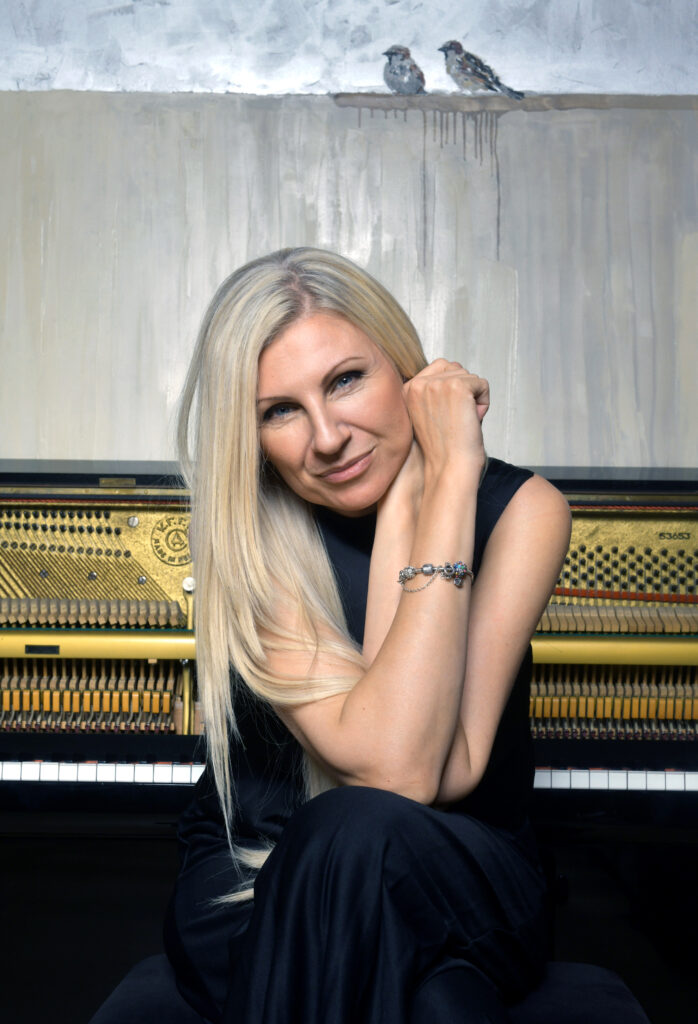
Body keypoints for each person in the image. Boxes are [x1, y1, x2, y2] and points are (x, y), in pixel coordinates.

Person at [165, 246, 572, 1024]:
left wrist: (442, 484)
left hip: (454, 870)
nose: (326, 437)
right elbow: (395, 766)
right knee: (438, 1001)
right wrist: (424, 483)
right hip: (259, 877)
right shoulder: (253, 536)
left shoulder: (524, 511)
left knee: (357, 834)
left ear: (404, 368)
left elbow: (427, 777)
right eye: (280, 411)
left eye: (346, 380)